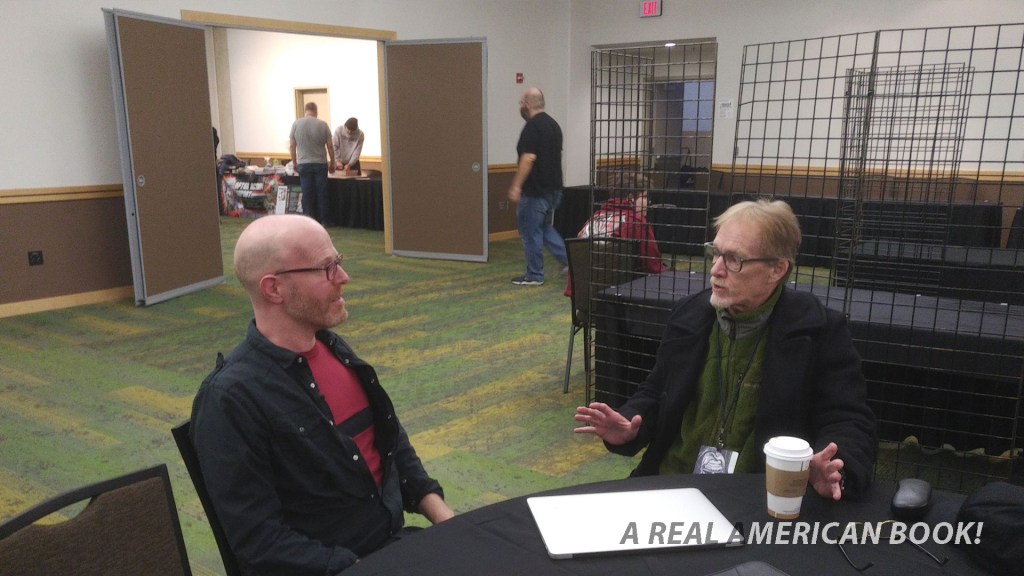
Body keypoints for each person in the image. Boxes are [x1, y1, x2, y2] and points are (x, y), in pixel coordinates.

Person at [190, 214, 454, 575]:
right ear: (274, 289)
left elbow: (390, 444)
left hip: (392, 548)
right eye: (326, 268)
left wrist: (443, 516)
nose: (343, 277)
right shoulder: (230, 399)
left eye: (338, 262)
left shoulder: (334, 349)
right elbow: (258, 541)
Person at [574, 199, 877, 500]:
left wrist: (836, 465)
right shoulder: (689, 316)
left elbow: (849, 421)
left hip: (758, 496)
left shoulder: (818, 331)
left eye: (734, 259)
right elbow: (656, 391)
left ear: (777, 269)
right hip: (672, 484)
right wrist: (630, 424)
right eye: (715, 253)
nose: (716, 270)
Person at [564, 172, 667, 297]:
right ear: (631, 198)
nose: (648, 202)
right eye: (644, 197)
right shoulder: (635, 222)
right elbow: (653, 266)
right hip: (619, 295)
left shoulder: (594, 218)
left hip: (582, 295)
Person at [508, 87, 568, 286]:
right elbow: (559, 155)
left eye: (521, 103)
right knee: (544, 229)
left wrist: (516, 186)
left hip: (535, 191)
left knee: (530, 232)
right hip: (554, 189)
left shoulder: (532, 127)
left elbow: (528, 158)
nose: (520, 107)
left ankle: (534, 275)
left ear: (528, 103)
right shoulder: (554, 125)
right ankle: (571, 262)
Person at [289, 102, 336, 226]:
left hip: (304, 163)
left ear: (305, 111)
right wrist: (332, 162)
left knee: (307, 192)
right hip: (320, 163)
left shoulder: (296, 124)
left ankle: (308, 220)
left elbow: (292, 146)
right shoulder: (323, 125)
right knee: (322, 192)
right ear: (316, 111)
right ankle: (325, 220)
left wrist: (294, 162)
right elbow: (330, 146)